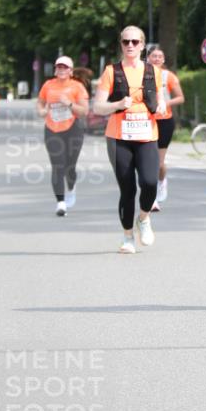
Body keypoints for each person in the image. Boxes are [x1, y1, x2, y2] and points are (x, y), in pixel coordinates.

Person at [93, 26, 165, 253]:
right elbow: (98, 107)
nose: (130, 46)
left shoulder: (154, 71)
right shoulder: (111, 72)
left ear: (143, 45)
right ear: (121, 45)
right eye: (126, 42)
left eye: (135, 42)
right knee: (128, 189)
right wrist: (116, 105)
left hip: (147, 136)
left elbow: (159, 100)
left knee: (150, 183)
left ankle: (143, 218)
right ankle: (127, 237)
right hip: (118, 138)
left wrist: (161, 106)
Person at [37, 56, 89, 216]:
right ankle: (60, 202)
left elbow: (84, 111)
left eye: (65, 67)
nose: (61, 70)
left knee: (70, 166)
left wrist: (69, 104)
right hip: (52, 128)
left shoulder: (77, 86)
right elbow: (40, 102)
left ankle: (71, 188)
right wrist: (42, 111)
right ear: (55, 69)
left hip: (73, 128)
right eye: (59, 67)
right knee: (58, 165)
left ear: (71, 71)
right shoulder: (48, 85)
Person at [147, 46, 185, 210]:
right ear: (148, 58)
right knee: (149, 161)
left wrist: (165, 103)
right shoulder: (142, 75)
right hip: (146, 121)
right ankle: (152, 197)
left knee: (160, 163)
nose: (156, 59)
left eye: (159, 57)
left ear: (163, 60)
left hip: (164, 121)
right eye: (153, 56)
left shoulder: (168, 76)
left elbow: (180, 98)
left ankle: (162, 181)